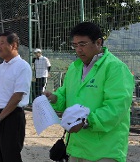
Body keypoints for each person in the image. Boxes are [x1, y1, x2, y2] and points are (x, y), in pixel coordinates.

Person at [43, 22, 134, 162]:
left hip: (105, 150)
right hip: (77, 147)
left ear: (98, 43)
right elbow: (65, 94)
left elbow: (116, 108)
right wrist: (54, 98)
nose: (78, 50)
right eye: (75, 45)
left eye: (83, 44)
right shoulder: (75, 67)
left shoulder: (115, 69)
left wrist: (86, 122)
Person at [0, 31, 32, 162]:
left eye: (2, 43)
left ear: (14, 45)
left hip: (12, 117)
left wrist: (0, 117)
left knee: (11, 156)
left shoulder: (22, 67)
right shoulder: (0, 68)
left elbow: (17, 96)